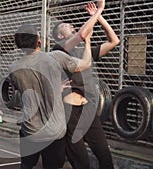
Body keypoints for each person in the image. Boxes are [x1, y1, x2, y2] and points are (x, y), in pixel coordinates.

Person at [9, 23, 92, 169]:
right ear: (39, 41)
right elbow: (85, 63)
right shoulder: (56, 58)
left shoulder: (14, 68)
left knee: (27, 166)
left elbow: (26, 90)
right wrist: (88, 41)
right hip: (54, 133)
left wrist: (53, 88)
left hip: (30, 131)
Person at [52, 1, 120, 169]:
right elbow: (83, 33)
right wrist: (100, 9)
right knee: (81, 162)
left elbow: (114, 40)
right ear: (60, 35)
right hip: (70, 112)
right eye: (66, 25)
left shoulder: (85, 50)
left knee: (104, 155)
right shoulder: (59, 49)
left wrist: (99, 16)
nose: (71, 25)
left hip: (89, 110)